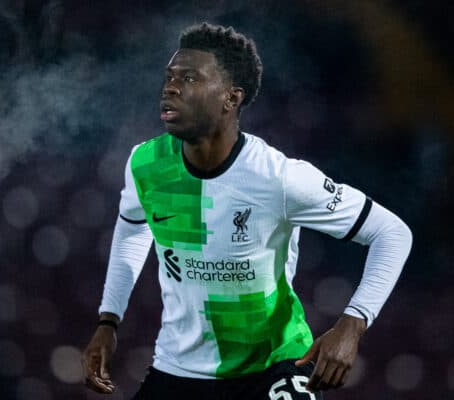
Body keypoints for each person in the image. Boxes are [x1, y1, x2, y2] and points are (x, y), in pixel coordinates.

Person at [82, 22, 412, 399]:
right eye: (170, 77)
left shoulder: (279, 179)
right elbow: (133, 228)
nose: (170, 87)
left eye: (189, 78)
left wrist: (353, 323)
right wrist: (109, 320)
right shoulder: (145, 163)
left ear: (231, 97)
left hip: (272, 364)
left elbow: (393, 233)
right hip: (179, 368)